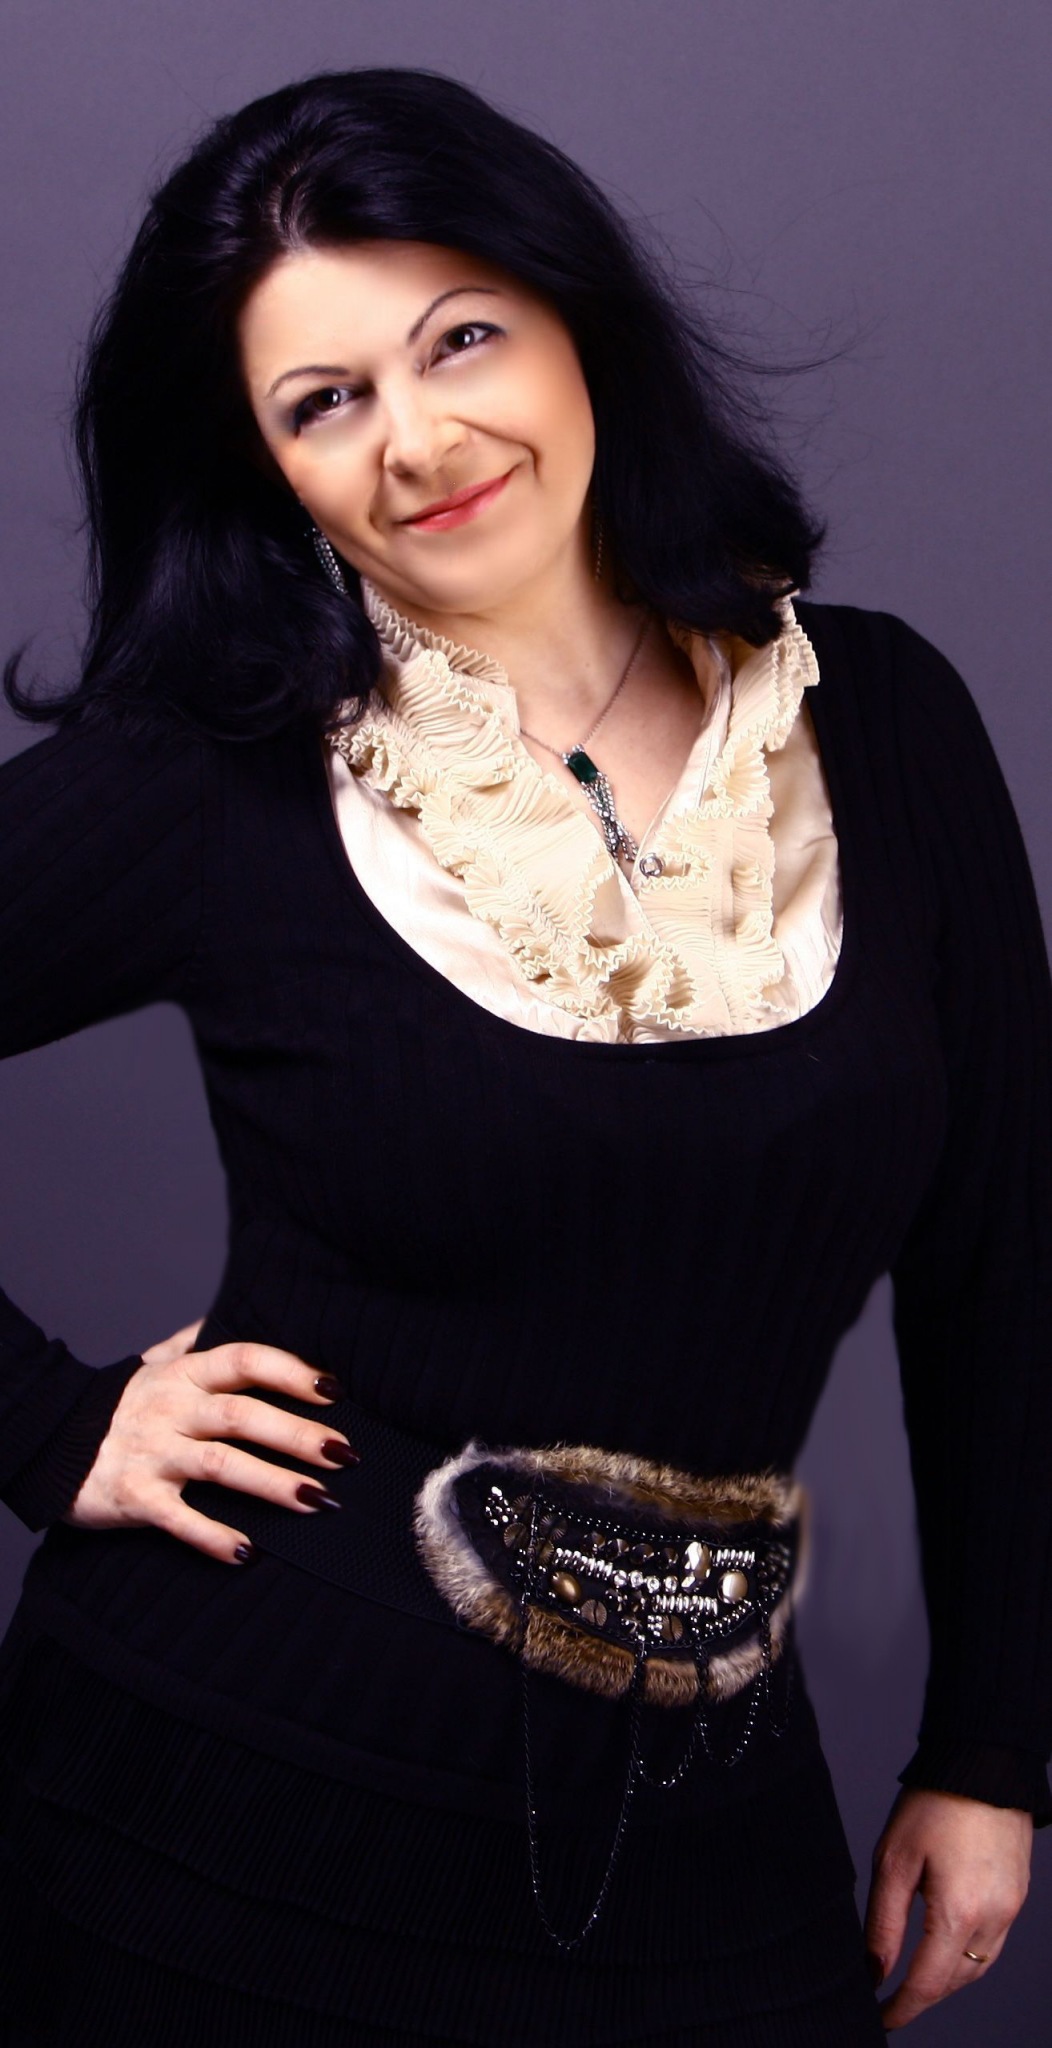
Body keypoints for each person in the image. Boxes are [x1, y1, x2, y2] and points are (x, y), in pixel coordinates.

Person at [0, 62, 1047, 2047]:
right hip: (220, 1809)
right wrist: (48, 1427)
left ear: (577, 318)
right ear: (267, 467)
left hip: (709, 1830)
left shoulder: (888, 725)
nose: (418, 438)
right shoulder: (226, 775)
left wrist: (997, 1746)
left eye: (458, 337)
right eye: (324, 401)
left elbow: (1010, 1263)